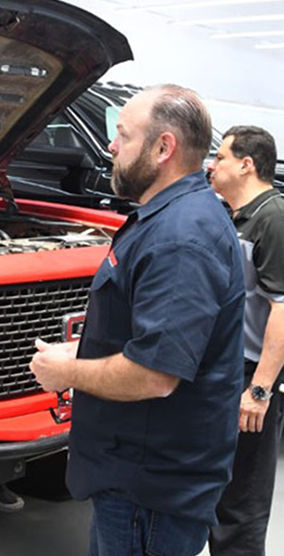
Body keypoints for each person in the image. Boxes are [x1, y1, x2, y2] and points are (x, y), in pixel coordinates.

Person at [28, 85, 245, 556]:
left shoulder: (180, 238)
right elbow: (146, 332)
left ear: (163, 148)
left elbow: (155, 374)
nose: (110, 147)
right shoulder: (170, 217)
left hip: (148, 490)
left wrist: (67, 372)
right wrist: (83, 350)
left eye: (122, 136)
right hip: (138, 476)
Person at [207, 126, 284, 556]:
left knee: (242, 504)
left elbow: (283, 310)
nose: (212, 166)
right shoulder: (233, 215)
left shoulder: (273, 218)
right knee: (219, 489)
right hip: (223, 370)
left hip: (251, 376)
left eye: (219, 157)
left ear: (246, 164)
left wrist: (259, 390)